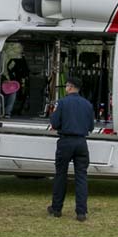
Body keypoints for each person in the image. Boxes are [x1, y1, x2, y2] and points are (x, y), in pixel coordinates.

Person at [47, 76, 95, 222]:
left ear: (71, 87)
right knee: (81, 176)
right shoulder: (87, 104)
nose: (66, 88)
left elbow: (54, 123)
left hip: (66, 141)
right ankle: (81, 212)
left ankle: (56, 209)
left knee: (61, 175)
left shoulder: (61, 103)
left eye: (67, 85)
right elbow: (91, 127)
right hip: (81, 142)